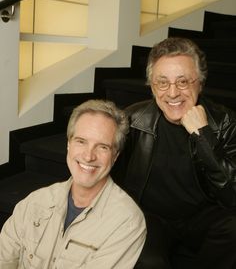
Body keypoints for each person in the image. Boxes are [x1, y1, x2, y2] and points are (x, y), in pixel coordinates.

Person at [113, 37, 236, 269]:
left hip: (204, 217)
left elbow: (233, 194)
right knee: (149, 262)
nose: (172, 93)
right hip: (152, 217)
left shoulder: (225, 122)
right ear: (151, 85)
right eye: (162, 82)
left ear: (199, 83)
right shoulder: (132, 120)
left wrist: (203, 136)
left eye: (182, 82)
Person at [0, 99, 146, 269]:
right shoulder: (34, 203)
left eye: (102, 147)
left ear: (115, 156)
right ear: (68, 145)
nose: (89, 156)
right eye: (81, 141)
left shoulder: (126, 222)